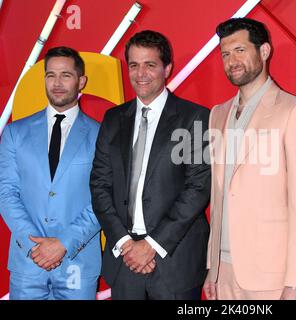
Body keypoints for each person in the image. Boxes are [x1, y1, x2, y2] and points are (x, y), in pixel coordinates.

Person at [203, 18, 296, 300]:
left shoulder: (295, 111)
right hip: (224, 272)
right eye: (225, 54)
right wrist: (212, 267)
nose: (232, 61)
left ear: (264, 51)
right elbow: (219, 197)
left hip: (273, 276)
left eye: (240, 50)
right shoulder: (217, 114)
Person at [90, 30, 210, 300]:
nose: (140, 73)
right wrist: (125, 244)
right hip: (125, 257)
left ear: (167, 68)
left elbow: (198, 187)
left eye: (150, 64)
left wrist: (152, 245)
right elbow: (99, 184)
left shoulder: (194, 118)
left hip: (175, 260)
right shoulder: (113, 119)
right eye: (134, 65)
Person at [0, 47, 101, 300]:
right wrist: (36, 246)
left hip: (78, 261)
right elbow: (6, 192)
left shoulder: (102, 135)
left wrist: (63, 244)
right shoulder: (15, 133)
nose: (57, 83)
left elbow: (103, 198)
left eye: (66, 75)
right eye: (50, 75)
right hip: (28, 262)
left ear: (81, 81)